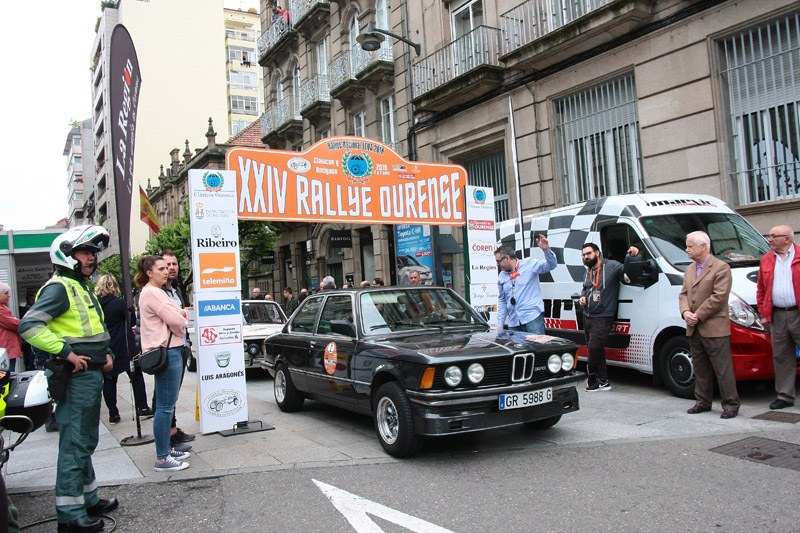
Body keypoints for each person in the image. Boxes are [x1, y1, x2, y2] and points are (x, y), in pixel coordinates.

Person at [18, 225, 118, 532]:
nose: (91, 258)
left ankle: (88, 500)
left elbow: (92, 329)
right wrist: (66, 352)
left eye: (92, 253)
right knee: (75, 442)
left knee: (85, 439)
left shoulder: (81, 285)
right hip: (75, 376)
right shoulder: (59, 286)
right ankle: (71, 515)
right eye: (85, 252)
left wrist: (107, 353)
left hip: (89, 374)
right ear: (66, 255)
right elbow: (29, 326)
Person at [135, 256, 191, 472]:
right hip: (167, 351)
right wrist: (182, 318)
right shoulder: (152, 292)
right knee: (165, 406)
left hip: (170, 350)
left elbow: (177, 315)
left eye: (167, 267)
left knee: (167, 404)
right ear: (149, 272)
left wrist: (180, 315)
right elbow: (178, 321)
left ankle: (166, 448)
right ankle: (162, 457)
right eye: (161, 268)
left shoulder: (157, 292)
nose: (167, 271)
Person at [678, 231, 740, 419]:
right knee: (700, 367)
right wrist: (685, 312)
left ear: (703, 246)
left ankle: (730, 404)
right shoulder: (689, 269)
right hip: (694, 327)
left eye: (690, 246)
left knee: (723, 369)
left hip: (714, 326)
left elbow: (719, 297)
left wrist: (698, 315)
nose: (686, 249)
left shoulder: (721, 268)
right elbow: (683, 294)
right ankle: (702, 401)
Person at [578, 242, 641, 391]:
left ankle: (592, 376)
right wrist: (582, 298)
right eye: (584, 255)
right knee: (597, 349)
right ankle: (604, 381)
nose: (586, 257)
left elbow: (629, 273)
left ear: (597, 253)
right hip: (587, 315)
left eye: (589, 253)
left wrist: (635, 255)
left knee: (593, 348)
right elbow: (585, 289)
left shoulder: (612, 266)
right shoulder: (587, 272)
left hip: (603, 316)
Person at [94, 275, 151, 424]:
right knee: (136, 375)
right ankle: (142, 407)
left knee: (109, 379)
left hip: (105, 345)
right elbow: (132, 320)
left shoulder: (95, 305)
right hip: (124, 345)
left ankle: (113, 413)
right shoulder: (120, 304)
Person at [756, 225, 800, 410]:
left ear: (787, 239)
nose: (770, 239)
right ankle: (785, 396)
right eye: (770, 235)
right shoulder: (766, 259)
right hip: (778, 314)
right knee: (782, 357)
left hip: (798, 312)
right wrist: (763, 313)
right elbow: (761, 289)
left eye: (774, 236)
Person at [160, 251, 195, 451]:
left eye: (174, 264)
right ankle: (168, 439)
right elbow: (175, 319)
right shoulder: (157, 292)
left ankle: (173, 430)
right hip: (165, 349)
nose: (171, 268)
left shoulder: (175, 291)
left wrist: (187, 340)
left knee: (173, 394)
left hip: (180, 346)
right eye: (166, 265)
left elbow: (184, 319)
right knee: (163, 396)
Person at [494, 237, 557, 334]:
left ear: (507, 258)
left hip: (532, 318)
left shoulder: (529, 265)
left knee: (537, 347)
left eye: (498, 261)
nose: (497, 264)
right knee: (518, 349)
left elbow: (551, 265)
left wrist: (546, 250)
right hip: (514, 322)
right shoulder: (502, 276)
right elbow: (502, 301)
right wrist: (500, 324)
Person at [0, 283, 22, 372]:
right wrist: (27, 322)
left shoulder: (3, 308)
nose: (9, 296)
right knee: (7, 376)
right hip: (5, 350)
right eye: (5, 293)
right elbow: (14, 324)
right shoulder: (1, 310)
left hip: (6, 349)